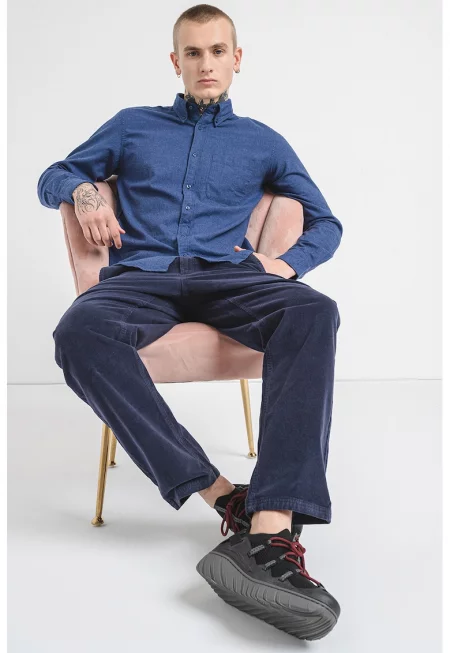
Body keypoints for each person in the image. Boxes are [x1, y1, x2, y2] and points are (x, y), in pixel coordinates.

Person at [37, 3, 343, 642]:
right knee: (77, 334)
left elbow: (326, 222)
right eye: (194, 53)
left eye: (218, 51)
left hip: (229, 277)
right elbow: (53, 175)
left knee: (314, 311)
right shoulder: (132, 125)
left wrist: (284, 266)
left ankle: (270, 529)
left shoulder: (262, 141)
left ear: (237, 59)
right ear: (176, 62)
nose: (206, 63)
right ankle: (224, 496)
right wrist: (84, 191)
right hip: (140, 279)